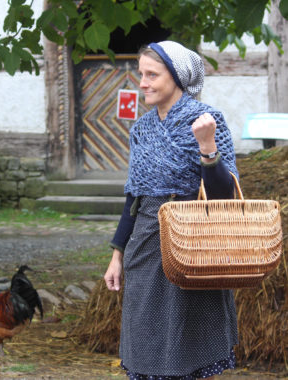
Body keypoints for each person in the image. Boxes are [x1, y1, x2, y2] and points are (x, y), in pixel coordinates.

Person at [104, 41, 239, 380]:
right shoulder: (142, 130)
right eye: (141, 74)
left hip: (194, 243)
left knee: (189, 346)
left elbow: (224, 195)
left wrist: (207, 147)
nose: (143, 83)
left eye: (152, 75)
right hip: (146, 247)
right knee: (145, 341)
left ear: (177, 77)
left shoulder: (208, 120)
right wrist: (117, 254)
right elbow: (133, 197)